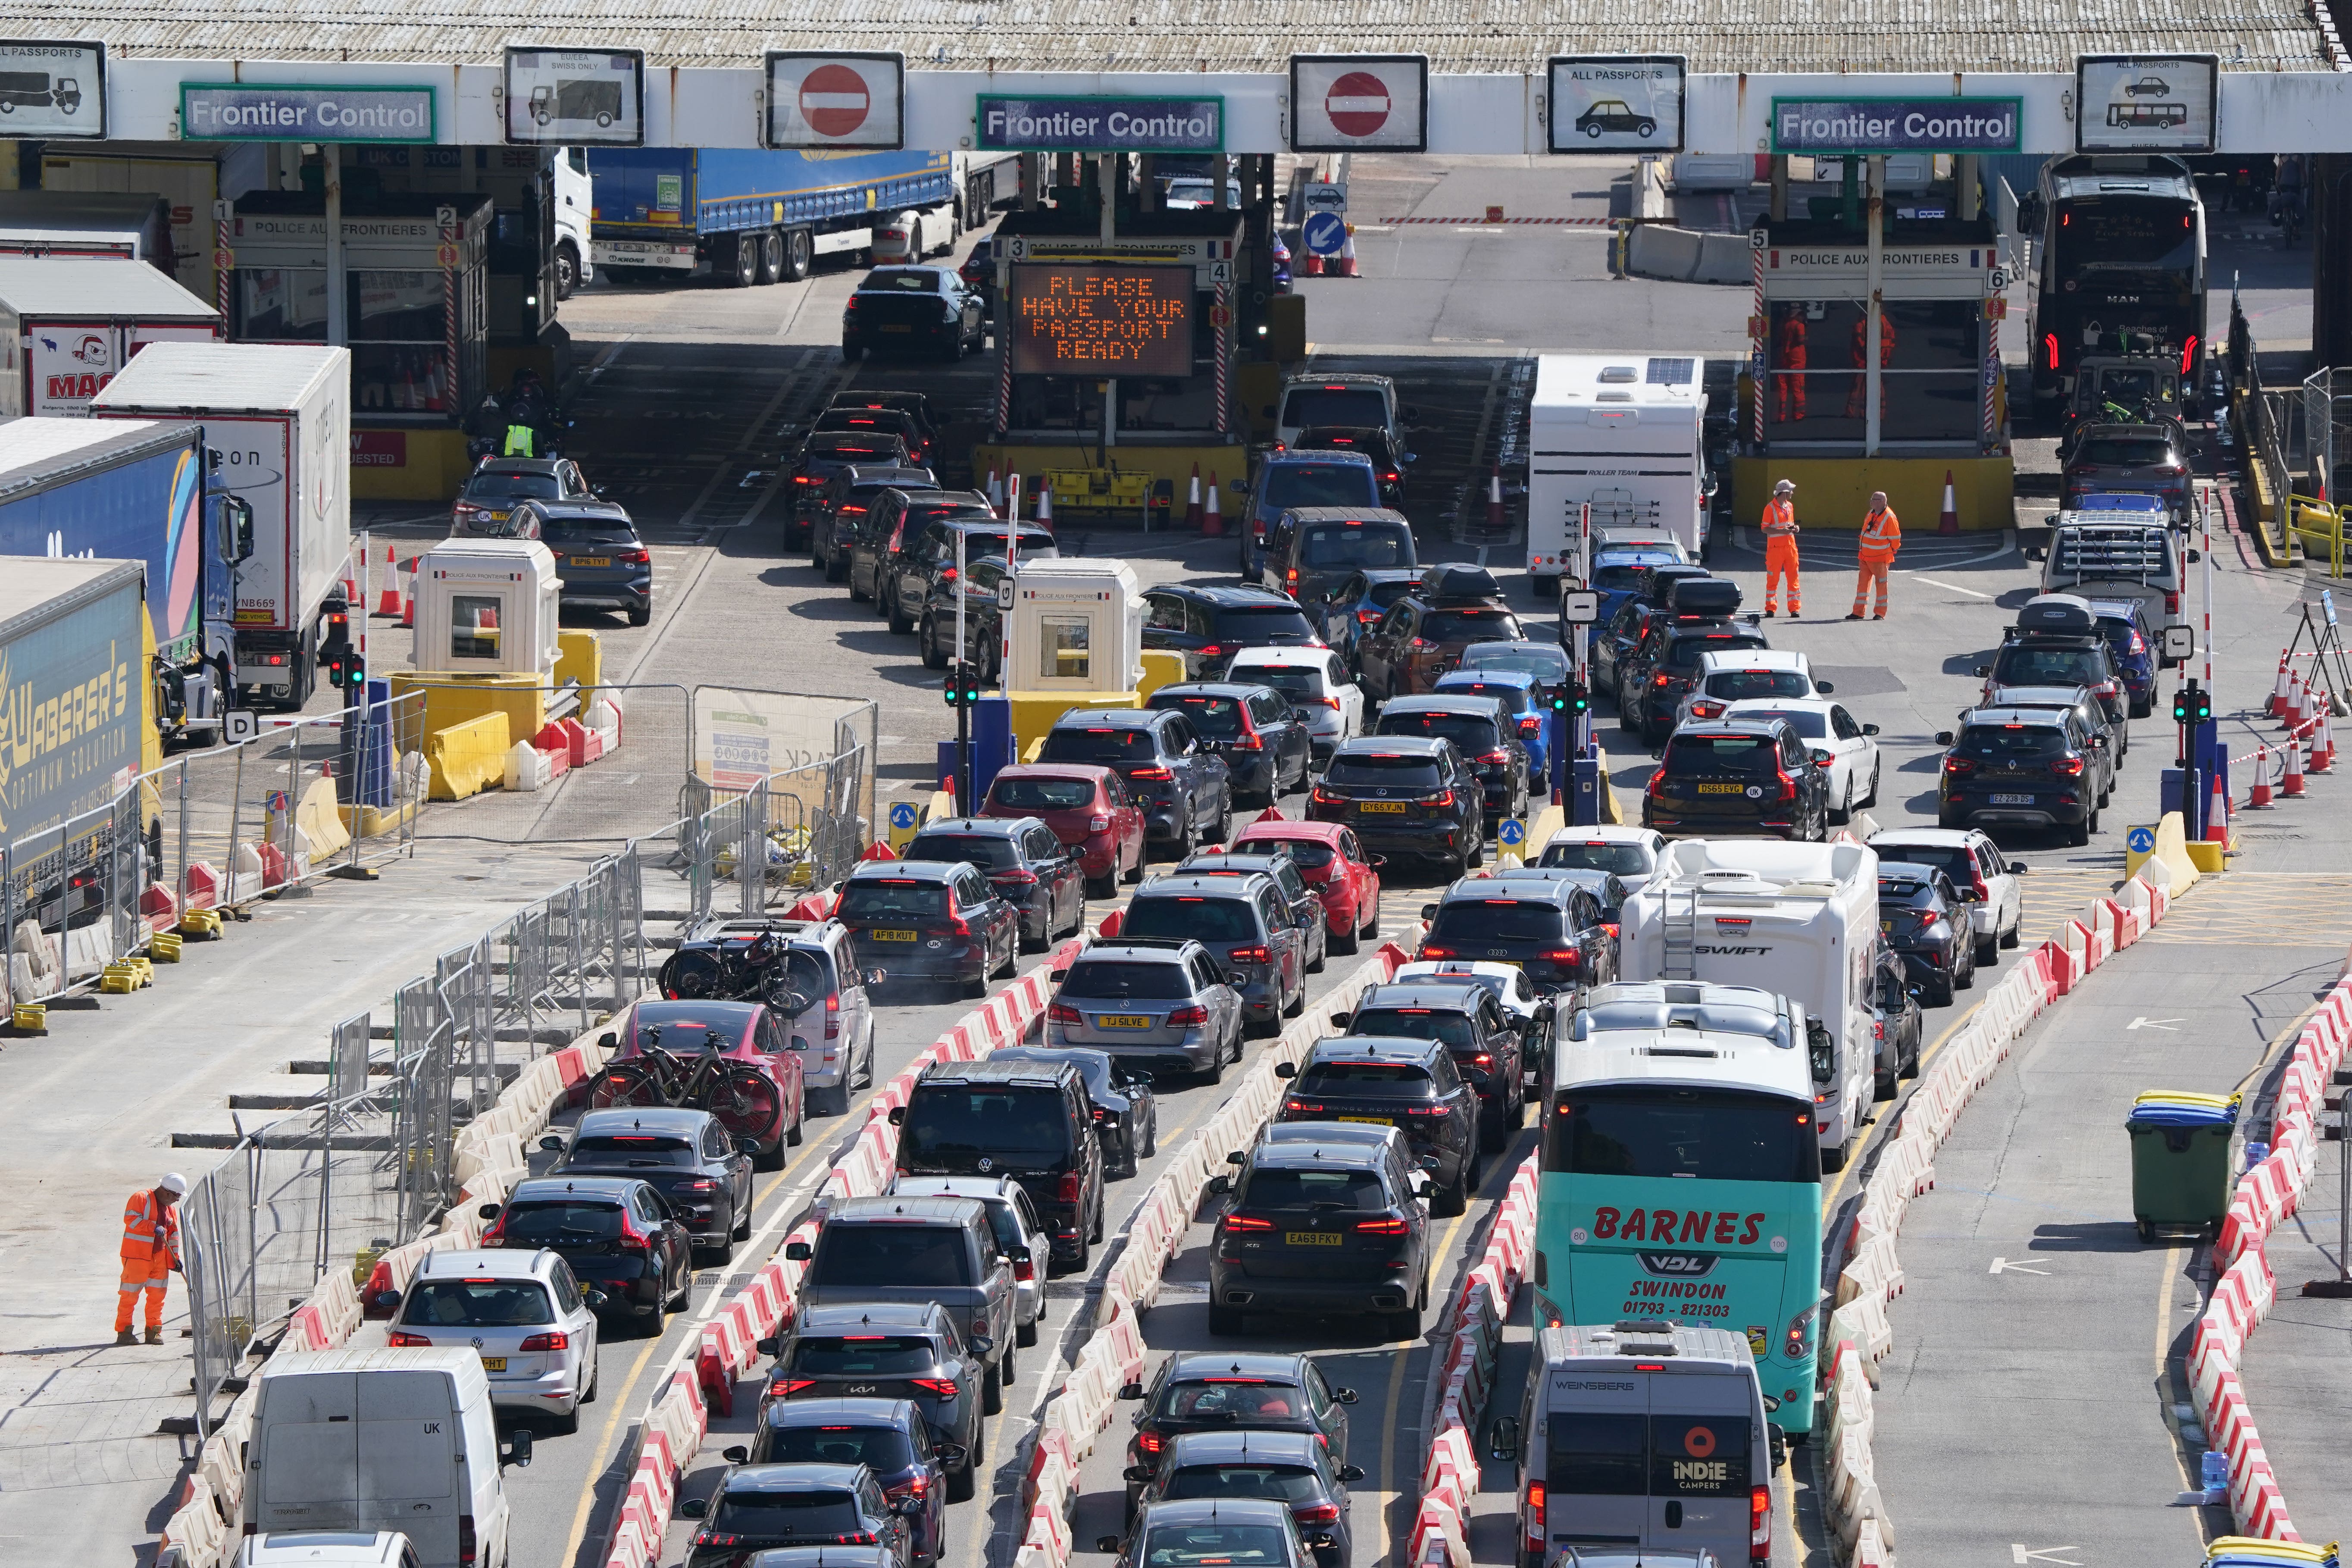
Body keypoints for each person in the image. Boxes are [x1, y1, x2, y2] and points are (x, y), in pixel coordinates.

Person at [117, 1173, 187, 1345]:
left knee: (157, 1298)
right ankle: (124, 1333)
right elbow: (131, 1220)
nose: (177, 1200)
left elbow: (173, 1235)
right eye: (177, 1196)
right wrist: (153, 1227)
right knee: (129, 1296)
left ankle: (154, 1332)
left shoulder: (170, 1209)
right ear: (167, 1192)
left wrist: (174, 1260)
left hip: (160, 1259)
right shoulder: (141, 1198)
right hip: (137, 1258)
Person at [1849, 491, 1902, 621]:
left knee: (1881, 586)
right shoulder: (1871, 513)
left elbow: (1896, 539)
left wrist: (1891, 551)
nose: (1871, 501)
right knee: (1862, 586)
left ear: (1881, 502)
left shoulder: (1889, 517)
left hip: (1880, 559)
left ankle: (1880, 613)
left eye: (1873, 499)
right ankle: (1858, 612)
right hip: (1865, 558)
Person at [1761, 479, 1801, 617]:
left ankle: (1794, 609)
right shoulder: (1770, 508)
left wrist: (1795, 528)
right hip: (1775, 549)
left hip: (1790, 547)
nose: (1792, 493)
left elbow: (1789, 524)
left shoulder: (1790, 506)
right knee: (1773, 580)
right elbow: (1765, 529)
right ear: (1784, 493)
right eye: (1790, 491)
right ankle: (1771, 608)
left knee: (1793, 579)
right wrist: (1782, 531)